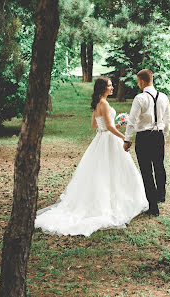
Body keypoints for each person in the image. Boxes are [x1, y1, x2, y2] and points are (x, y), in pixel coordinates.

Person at [35, 77, 148, 236]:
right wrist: (124, 137)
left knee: (102, 171)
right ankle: (114, 203)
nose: (112, 87)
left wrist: (116, 125)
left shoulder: (97, 103)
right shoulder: (105, 104)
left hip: (100, 139)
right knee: (112, 170)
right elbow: (107, 126)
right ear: (103, 88)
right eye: (109, 85)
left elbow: (95, 125)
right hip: (108, 140)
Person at [124, 69, 170, 217]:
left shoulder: (140, 98)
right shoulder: (164, 97)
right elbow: (168, 119)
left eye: (138, 82)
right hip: (158, 136)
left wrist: (127, 139)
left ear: (143, 81)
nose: (138, 84)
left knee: (146, 171)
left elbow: (132, 120)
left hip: (144, 137)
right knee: (159, 166)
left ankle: (153, 207)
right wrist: (164, 136)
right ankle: (160, 195)